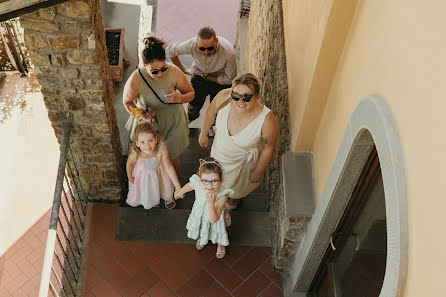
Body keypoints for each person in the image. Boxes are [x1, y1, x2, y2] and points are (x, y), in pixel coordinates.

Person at [198, 73, 279, 210]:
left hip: (242, 164)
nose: (240, 102)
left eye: (247, 97)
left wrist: (258, 171)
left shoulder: (266, 120)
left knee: (237, 188)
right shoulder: (224, 96)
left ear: (257, 95)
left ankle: (234, 199)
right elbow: (211, 112)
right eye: (235, 96)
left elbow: (269, 147)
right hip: (219, 154)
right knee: (216, 181)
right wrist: (203, 133)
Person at [124, 36, 194, 172]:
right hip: (150, 124)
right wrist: (141, 115)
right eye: (154, 71)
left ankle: (173, 185)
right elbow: (127, 101)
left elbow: (190, 93)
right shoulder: (136, 78)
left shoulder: (174, 71)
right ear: (145, 66)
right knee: (148, 158)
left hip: (173, 122)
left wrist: (179, 98)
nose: (160, 74)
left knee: (171, 158)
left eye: (163, 69)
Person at [165, 26, 237, 123]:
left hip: (221, 79)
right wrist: (184, 70)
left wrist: (207, 77)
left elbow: (230, 79)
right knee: (194, 104)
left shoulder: (228, 52)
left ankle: (214, 127)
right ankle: (189, 120)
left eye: (210, 48)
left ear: (216, 41)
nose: (206, 52)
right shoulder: (192, 44)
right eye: (202, 49)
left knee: (217, 109)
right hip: (200, 75)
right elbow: (170, 51)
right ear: (197, 43)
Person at [174, 158, 234, 259]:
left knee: (218, 230)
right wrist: (180, 192)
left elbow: (213, 219)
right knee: (202, 226)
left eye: (214, 181)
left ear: (221, 180)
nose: (210, 186)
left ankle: (221, 244)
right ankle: (203, 237)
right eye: (205, 181)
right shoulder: (198, 183)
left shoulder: (222, 194)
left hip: (216, 217)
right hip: (200, 214)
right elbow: (190, 185)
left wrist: (211, 203)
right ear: (200, 179)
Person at [126, 123, 181, 209]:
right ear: (137, 143)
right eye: (142, 142)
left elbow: (169, 167)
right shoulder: (136, 153)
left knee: (164, 186)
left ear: (155, 139)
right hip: (144, 176)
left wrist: (177, 186)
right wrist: (130, 177)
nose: (147, 146)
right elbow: (129, 164)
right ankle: (152, 201)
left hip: (160, 173)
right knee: (149, 189)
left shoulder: (161, 148)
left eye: (150, 141)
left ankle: (167, 197)